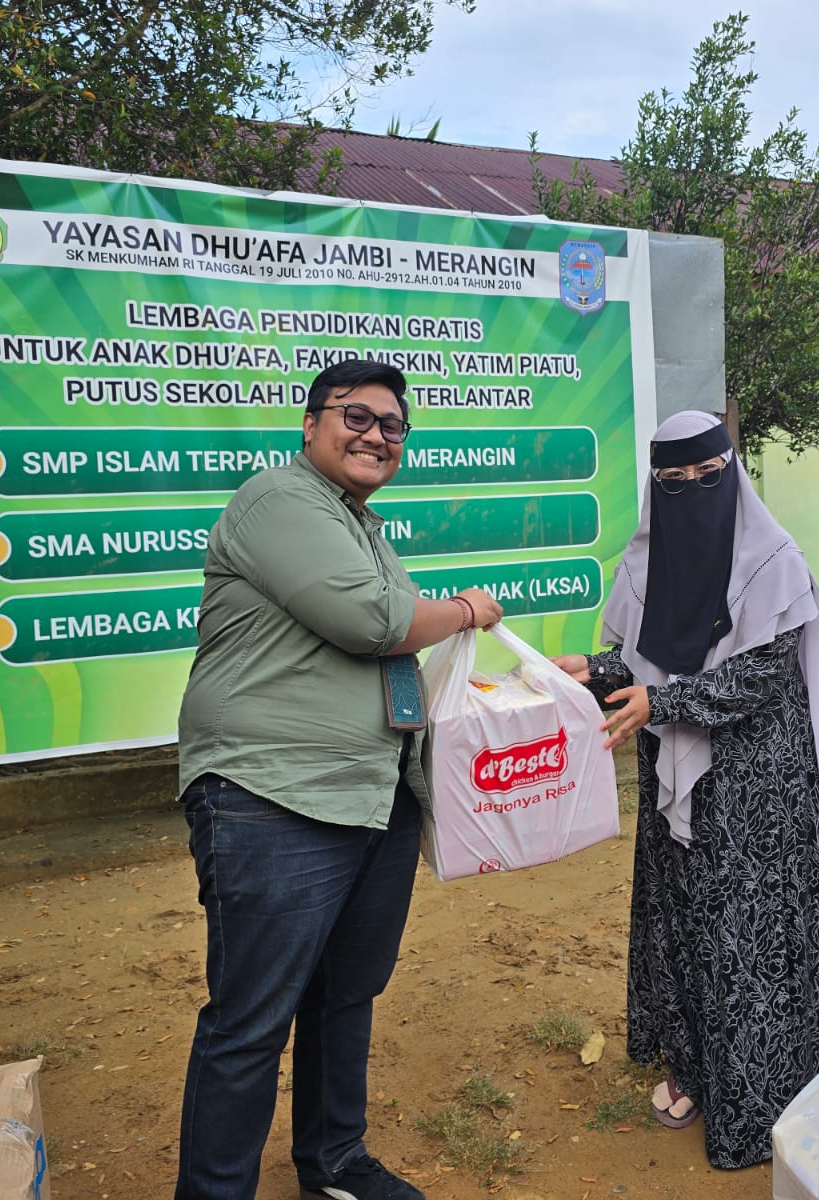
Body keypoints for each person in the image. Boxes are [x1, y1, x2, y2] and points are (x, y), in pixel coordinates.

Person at [174, 358, 503, 1200]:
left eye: (393, 427)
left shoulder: (360, 525)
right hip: (273, 797)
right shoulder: (279, 501)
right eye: (358, 417)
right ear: (313, 423)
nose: (377, 436)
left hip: (368, 792)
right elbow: (379, 623)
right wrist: (467, 610)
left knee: (345, 993)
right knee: (251, 1022)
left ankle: (333, 1163)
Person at [552, 410, 819, 1170]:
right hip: (676, 783)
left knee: (750, 937)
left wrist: (665, 704)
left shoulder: (771, 562)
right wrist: (598, 670)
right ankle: (696, 1067)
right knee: (685, 929)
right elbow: (645, 659)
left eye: (706, 478)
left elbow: (756, 675)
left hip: (758, 790)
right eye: (672, 481)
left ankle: (768, 1094)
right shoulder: (646, 562)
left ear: (733, 474)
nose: (689, 492)